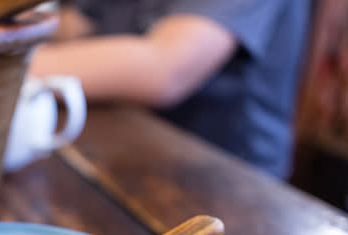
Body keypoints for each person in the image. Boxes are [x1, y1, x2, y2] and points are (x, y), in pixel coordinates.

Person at [28, 0, 311, 178]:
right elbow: (79, 24)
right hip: (127, 149)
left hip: (228, 176)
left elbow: (165, 68)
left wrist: (8, 67)